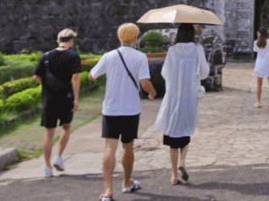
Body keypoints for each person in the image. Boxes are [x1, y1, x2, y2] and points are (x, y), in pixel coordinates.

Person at [89, 23, 157, 200]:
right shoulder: (140, 57)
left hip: (111, 109)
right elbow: (144, 82)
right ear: (135, 38)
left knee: (110, 148)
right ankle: (126, 182)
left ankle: (107, 190)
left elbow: (91, 75)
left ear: (120, 38)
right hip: (131, 109)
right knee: (128, 146)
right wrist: (151, 91)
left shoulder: (108, 56)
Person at [154, 23, 209, 185]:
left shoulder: (172, 51)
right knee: (186, 130)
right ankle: (182, 162)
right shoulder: (197, 49)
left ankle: (173, 175)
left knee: (172, 134)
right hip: (189, 96)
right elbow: (204, 72)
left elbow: (165, 73)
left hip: (173, 95)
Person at [33, 28, 81, 177]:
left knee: (49, 132)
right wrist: (76, 99)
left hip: (49, 99)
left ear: (58, 41)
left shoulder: (45, 56)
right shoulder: (73, 56)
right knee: (66, 128)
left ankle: (47, 168)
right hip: (66, 98)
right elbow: (75, 78)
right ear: (71, 41)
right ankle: (59, 157)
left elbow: (36, 77)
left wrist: (48, 86)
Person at [253, 27, 269, 109]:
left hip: (259, 66)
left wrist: (258, 37)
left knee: (259, 84)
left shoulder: (256, 42)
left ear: (258, 33)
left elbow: (255, 50)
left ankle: (258, 102)